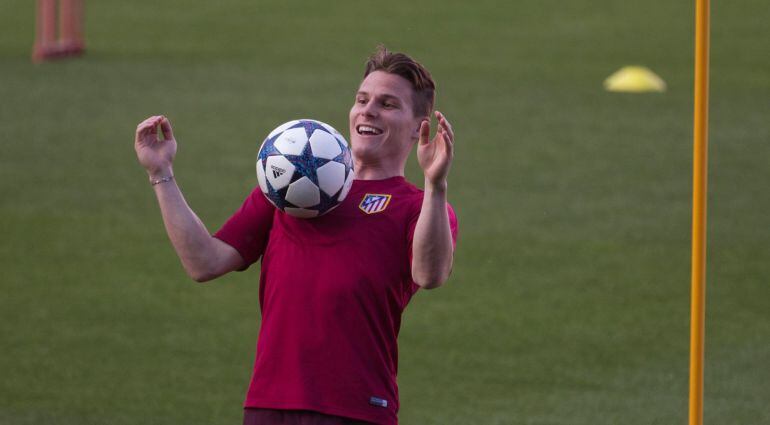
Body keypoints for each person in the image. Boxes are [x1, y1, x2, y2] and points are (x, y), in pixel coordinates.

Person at [134, 46, 458, 425]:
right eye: (362, 100)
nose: (368, 110)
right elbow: (204, 262)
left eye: (387, 104)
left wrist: (435, 184)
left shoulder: (419, 208)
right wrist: (161, 174)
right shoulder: (289, 185)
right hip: (268, 405)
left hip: (357, 411)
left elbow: (429, 274)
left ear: (420, 127)